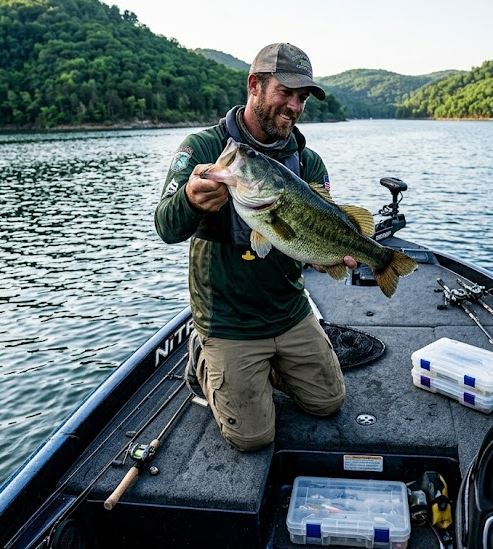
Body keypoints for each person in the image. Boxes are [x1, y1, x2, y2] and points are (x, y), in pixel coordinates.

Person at [155, 43, 355, 452]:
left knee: (328, 403)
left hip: (289, 311)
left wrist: (325, 256)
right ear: (255, 86)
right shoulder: (205, 149)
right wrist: (191, 200)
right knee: (252, 438)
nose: (295, 106)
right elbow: (165, 226)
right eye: (286, 92)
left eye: (302, 98)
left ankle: (271, 369)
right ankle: (202, 354)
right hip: (228, 319)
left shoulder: (307, 160)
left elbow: (316, 234)